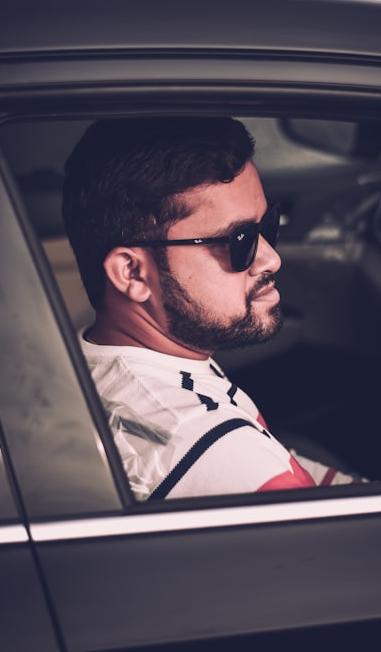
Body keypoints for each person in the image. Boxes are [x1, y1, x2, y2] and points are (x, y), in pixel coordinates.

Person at [62, 116, 362, 501]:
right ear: (133, 273)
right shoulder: (220, 453)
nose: (271, 259)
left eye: (267, 227)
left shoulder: (90, 358)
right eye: (239, 241)